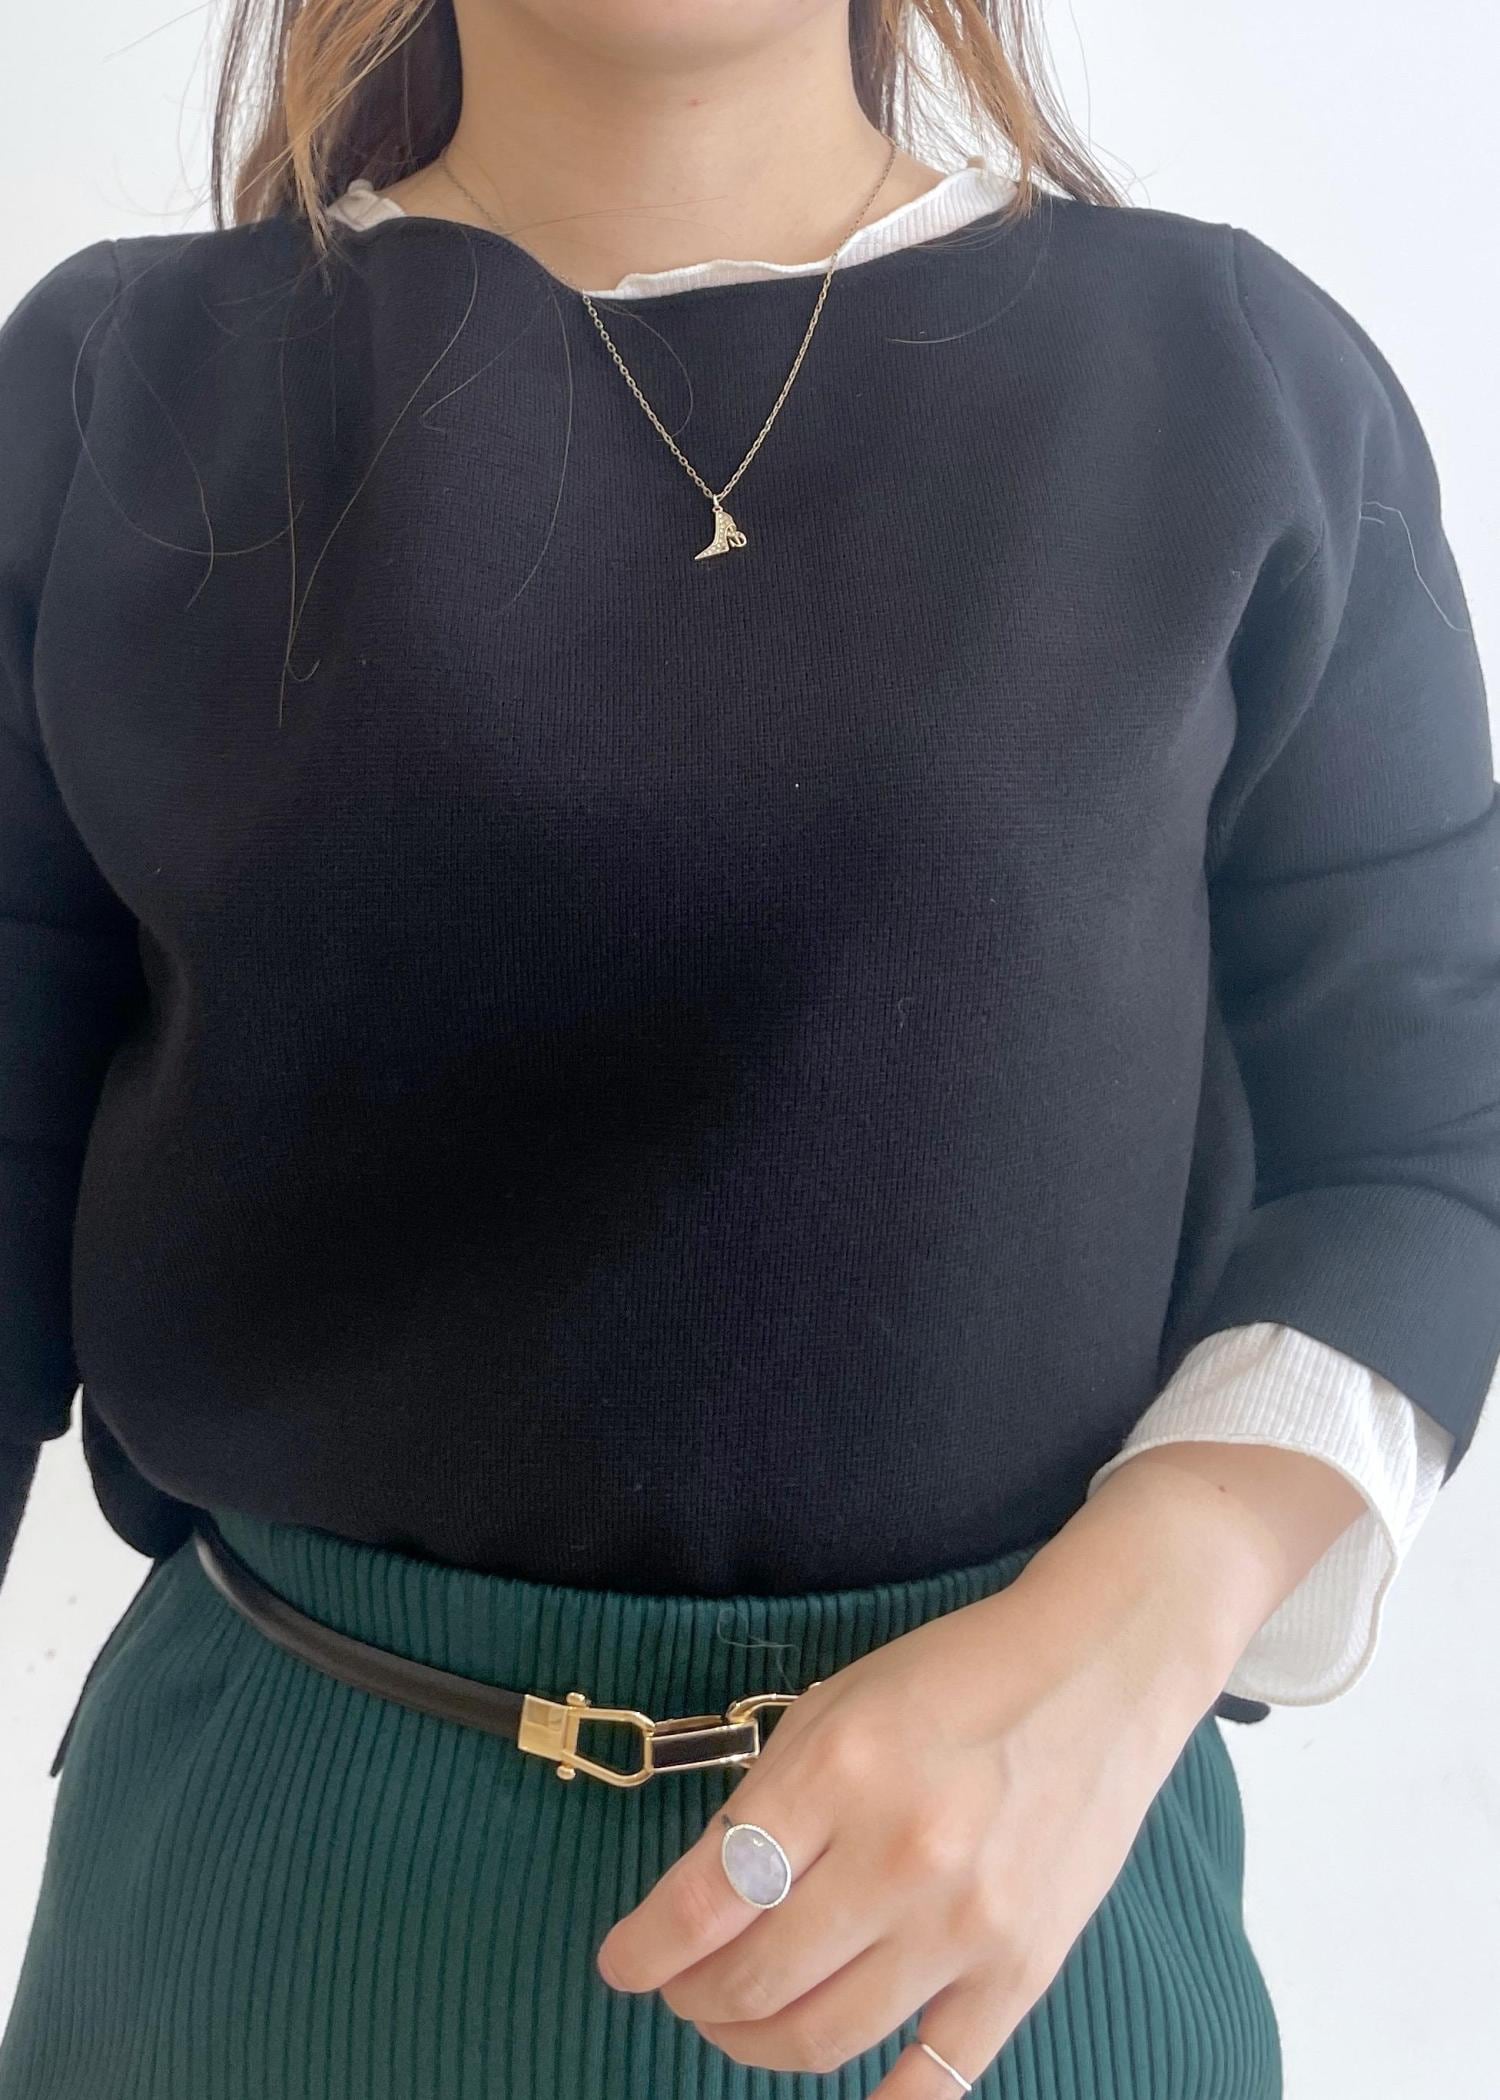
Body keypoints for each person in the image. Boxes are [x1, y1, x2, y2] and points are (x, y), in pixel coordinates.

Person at [0, 2, 1495, 2095]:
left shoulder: (1234, 381)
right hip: (262, 1927)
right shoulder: (111, 392)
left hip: (1010, 1942)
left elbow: (1432, 1132)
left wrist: (1129, 1646)